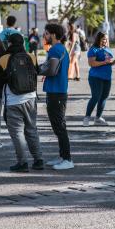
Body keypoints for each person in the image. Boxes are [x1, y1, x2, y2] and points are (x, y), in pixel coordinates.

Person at [0, 33, 43, 172]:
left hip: (13, 101)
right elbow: (36, 73)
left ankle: (22, 163)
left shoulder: (4, 59)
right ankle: (38, 160)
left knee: (17, 133)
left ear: (9, 44)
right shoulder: (31, 56)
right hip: (31, 99)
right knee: (31, 129)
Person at [42, 23, 73, 170]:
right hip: (58, 91)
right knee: (58, 125)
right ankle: (62, 156)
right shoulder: (60, 49)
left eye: (47, 33)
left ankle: (67, 159)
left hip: (56, 92)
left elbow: (52, 70)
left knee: (59, 126)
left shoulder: (55, 49)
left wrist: (37, 69)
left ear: (54, 35)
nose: (45, 36)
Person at [83, 32, 115, 127]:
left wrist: (113, 62)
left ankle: (98, 118)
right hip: (96, 77)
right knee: (95, 97)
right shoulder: (93, 49)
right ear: (98, 39)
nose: (105, 41)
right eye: (103, 39)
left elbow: (108, 62)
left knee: (103, 97)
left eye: (106, 39)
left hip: (107, 77)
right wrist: (104, 62)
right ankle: (87, 117)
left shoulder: (107, 49)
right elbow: (92, 63)